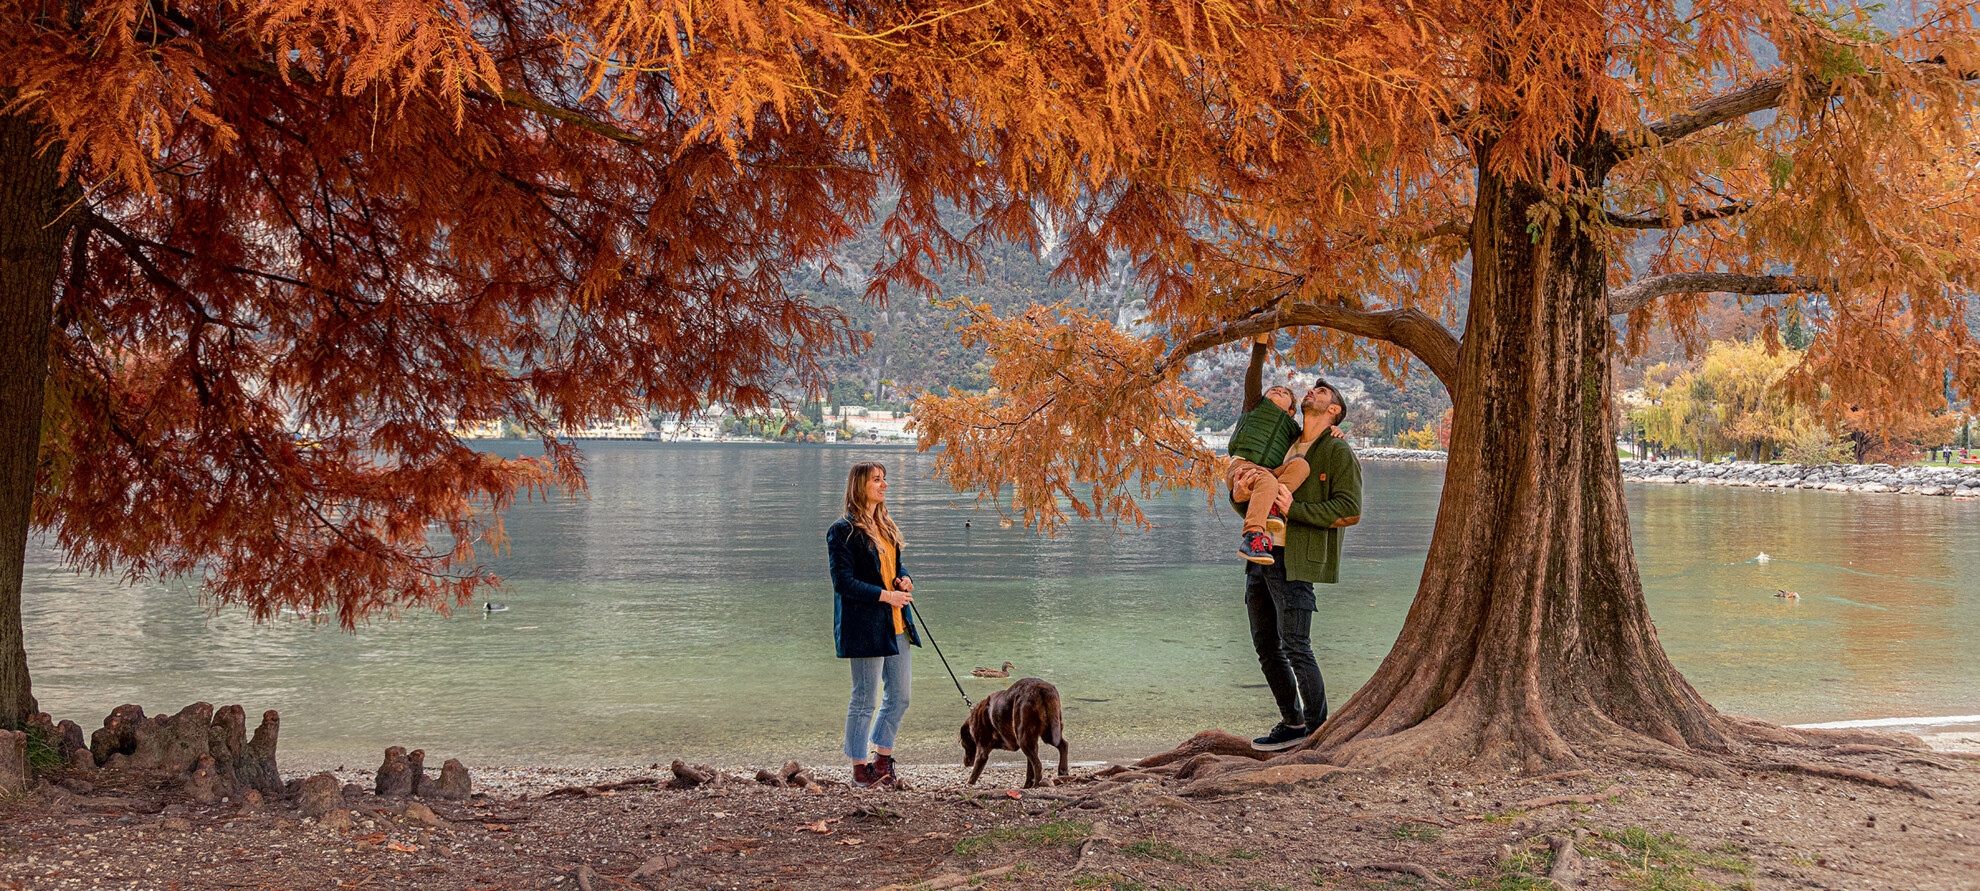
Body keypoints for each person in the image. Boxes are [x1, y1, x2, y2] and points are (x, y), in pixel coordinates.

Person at [1231, 349, 1362, 752]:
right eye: (1312, 388)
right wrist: (1239, 496)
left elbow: (1350, 511)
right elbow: (1256, 496)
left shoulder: (1336, 450)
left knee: (1296, 646)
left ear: (1334, 409)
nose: (1311, 391)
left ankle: (1319, 731)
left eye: (1321, 391)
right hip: (1260, 554)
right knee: (1266, 646)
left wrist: (1296, 509)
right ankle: (1292, 723)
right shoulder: (1285, 442)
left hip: (1295, 558)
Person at [826, 462, 919, 787]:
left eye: (884, 479)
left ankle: (882, 760)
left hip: (896, 625)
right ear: (860, 486)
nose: (884, 485)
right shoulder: (843, 530)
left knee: (900, 697)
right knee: (865, 699)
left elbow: (895, 565)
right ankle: (858, 767)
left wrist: (905, 580)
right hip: (865, 627)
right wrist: (885, 596)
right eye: (877, 480)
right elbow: (843, 583)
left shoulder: (885, 526)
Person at [1227, 334, 1326, 563]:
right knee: (1267, 481)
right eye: (1274, 390)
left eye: (1285, 393)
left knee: (1301, 465)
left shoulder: (1292, 429)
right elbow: (1254, 373)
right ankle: (1252, 537)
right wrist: (1260, 341)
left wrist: (1335, 430)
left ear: (1292, 410)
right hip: (1242, 465)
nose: (1279, 391)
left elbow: (1314, 433)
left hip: (1268, 474)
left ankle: (1272, 507)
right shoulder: (1254, 405)